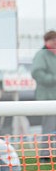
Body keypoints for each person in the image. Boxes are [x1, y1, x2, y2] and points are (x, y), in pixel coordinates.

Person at [31, 29, 56, 160]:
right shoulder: (41, 55)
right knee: (49, 128)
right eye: (53, 40)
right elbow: (37, 73)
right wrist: (53, 79)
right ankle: (45, 154)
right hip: (47, 98)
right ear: (47, 41)